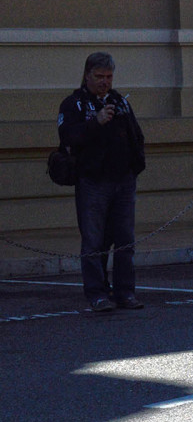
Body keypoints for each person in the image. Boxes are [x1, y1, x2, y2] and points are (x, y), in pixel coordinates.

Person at [57, 52, 146, 312]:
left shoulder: (119, 102)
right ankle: (96, 293)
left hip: (123, 181)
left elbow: (135, 134)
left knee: (124, 239)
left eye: (108, 77)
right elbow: (68, 136)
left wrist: (135, 166)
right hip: (93, 182)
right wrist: (95, 123)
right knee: (93, 240)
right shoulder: (74, 104)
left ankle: (125, 292)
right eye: (99, 77)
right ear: (87, 76)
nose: (104, 82)